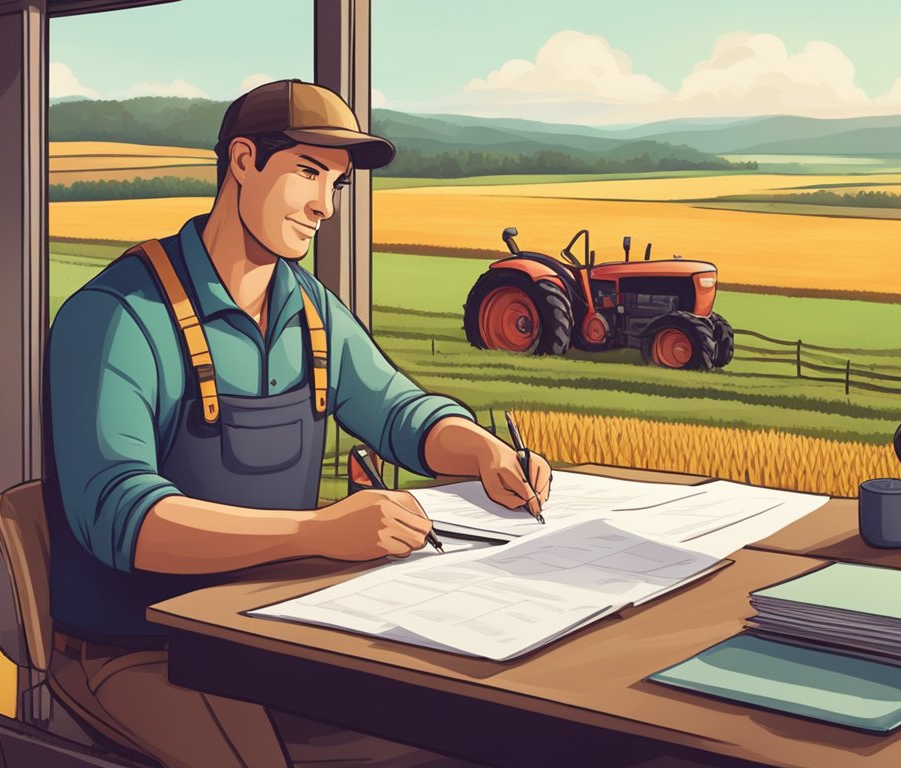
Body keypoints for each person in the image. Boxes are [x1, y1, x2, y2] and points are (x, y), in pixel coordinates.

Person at [43, 79, 551, 768]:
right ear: (243, 161)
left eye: (337, 184)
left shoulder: (307, 307)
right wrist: (322, 532)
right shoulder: (117, 315)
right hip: (134, 650)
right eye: (308, 173)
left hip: (270, 633)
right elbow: (122, 518)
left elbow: (400, 412)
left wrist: (484, 450)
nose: (324, 205)